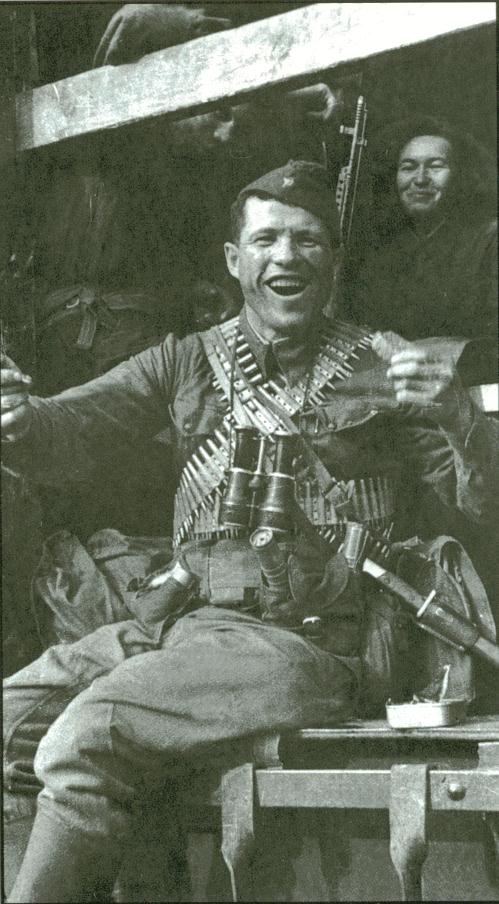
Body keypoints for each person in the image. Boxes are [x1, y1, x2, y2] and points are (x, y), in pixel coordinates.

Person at [2, 160, 498, 902]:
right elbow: (67, 426)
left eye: (307, 240)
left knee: (92, 732)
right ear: (235, 260)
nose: (285, 256)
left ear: (333, 261)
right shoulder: (183, 361)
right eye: (266, 240)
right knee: (9, 724)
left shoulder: (383, 364)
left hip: (311, 644)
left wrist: (459, 416)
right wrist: (15, 415)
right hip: (184, 627)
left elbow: (482, 506)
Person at [342, 116, 497, 373]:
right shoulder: (380, 249)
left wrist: (433, 352)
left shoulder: (489, 240)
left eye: (435, 166)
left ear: (460, 176)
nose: (420, 179)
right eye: (408, 167)